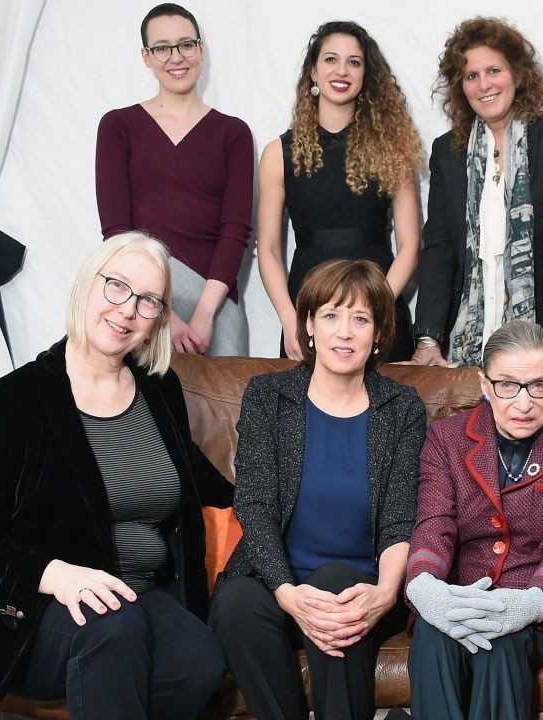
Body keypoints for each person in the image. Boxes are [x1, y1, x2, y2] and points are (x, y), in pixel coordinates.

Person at [0, 232, 235, 717]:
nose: (128, 310)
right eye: (117, 286)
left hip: (141, 594)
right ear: (87, 284)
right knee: (114, 630)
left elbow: (195, 477)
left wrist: (276, 499)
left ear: (158, 318)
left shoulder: (159, 389)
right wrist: (57, 575)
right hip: (40, 611)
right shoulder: (14, 399)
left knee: (200, 660)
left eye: (148, 300)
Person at [209, 259, 427, 720]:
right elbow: (255, 504)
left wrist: (387, 592)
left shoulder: (401, 407)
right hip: (277, 581)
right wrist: (287, 592)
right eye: (330, 316)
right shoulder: (268, 396)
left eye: (360, 319)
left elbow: (400, 518)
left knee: (335, 588)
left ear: (378, 333)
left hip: (358, 588)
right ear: (309, 325)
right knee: (235, 604)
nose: (344, 333)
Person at [405, 319, 543, 719]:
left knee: (502, 640)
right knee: (431, 631)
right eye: (508, 385)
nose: (524, 402)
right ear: (485, 384)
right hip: (462, 591)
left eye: (539, 385)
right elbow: (434, 524)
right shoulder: (446, 438)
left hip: (535, 599)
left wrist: (532, 602)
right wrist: (425, 586)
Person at [413, 17, 543, 366]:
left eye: (493, 71)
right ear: (461, 87)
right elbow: (438, 250)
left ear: (517, 73)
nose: (484, 84)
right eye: (471, 76)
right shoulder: (447, 152)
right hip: (466, 346)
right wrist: (428, 339)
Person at [256, 21, 423, 362]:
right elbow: (269, 249)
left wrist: (376, 310)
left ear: (366, 75)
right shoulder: (277, 154)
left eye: (354, 62)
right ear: (313, 71)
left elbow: (409, 247)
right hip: (308, 309)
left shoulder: (393, 151)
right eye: (331, 59)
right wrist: (289, 319)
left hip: (380, 306)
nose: (342, 70)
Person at [96, 3, 255, 357]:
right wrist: (162, 313)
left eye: (185, 44)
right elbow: (117, 233)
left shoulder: (234, 133)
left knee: (228, 393)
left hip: (215, 304)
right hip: (140, 301)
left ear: (200, 49)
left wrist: (204, 314)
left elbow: (235, 230)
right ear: (146, 57)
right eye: (162, 48)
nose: (176, 57)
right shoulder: (118, 126)